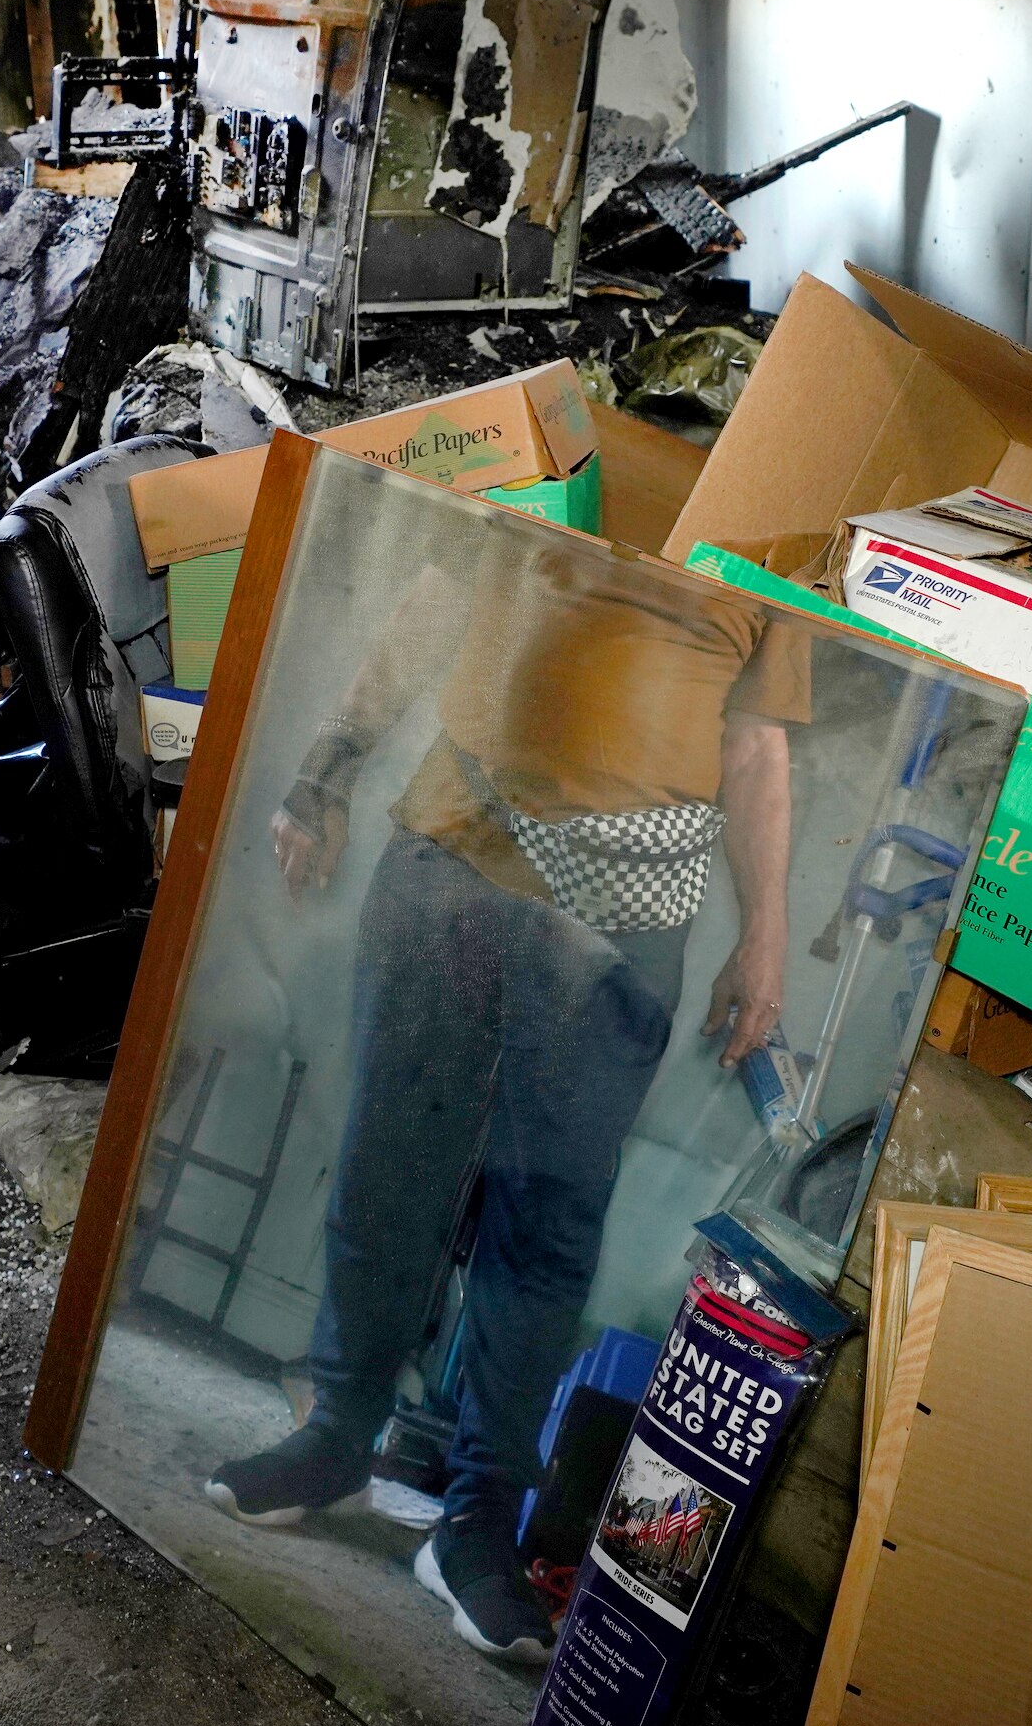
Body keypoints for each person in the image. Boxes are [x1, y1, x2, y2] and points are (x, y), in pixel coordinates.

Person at [200, 530, 808, 1661]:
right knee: (392, 1170)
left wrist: (764, 941)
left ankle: (477, 1520)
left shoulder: (776, 540)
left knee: (547, 1225)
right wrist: (322, 773)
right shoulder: (579, 480)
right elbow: (430, 600)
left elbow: (758, 743)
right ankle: (337, 1434)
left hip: (632, 924)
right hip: (451, 856)